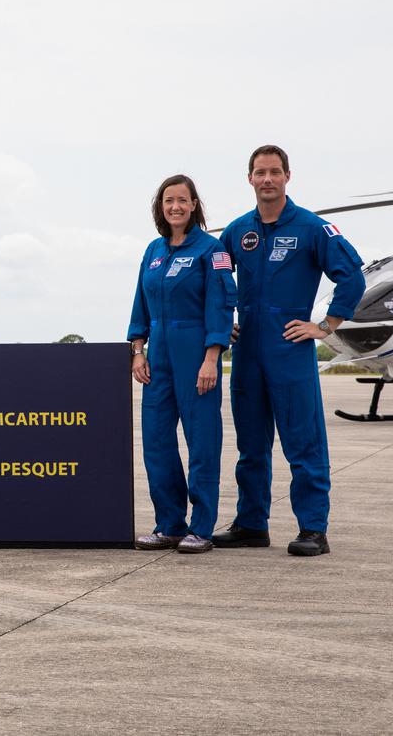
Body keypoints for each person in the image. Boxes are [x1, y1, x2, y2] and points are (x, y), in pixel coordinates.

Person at [215, 145, 365, 556]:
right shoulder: (235, 232)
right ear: (249, 178)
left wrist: (325, 326)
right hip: (246, 351)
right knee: (250, 446)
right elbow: (215, 277)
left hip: (289, 347)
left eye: (274, 172)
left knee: (303, 442)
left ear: (287, 176)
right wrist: (219, 324)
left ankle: (313, 528)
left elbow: (352, 277)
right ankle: (250, 524)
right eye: (260, 172)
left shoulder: (313, 229)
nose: (267, 179)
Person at [128, 175, 237, 553]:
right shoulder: (153, 251)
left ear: (194, 205)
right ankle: (169, 524)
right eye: (168, 200)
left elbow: (222, 304)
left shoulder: (212, 250)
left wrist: (212, 357)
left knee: (202, 441)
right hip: (158, 354)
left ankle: (201, 527)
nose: (175, 206)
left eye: (182, 200)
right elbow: (140, 303)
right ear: (161, 207)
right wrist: (138, 350)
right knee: (156, 441)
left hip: (196, 352)